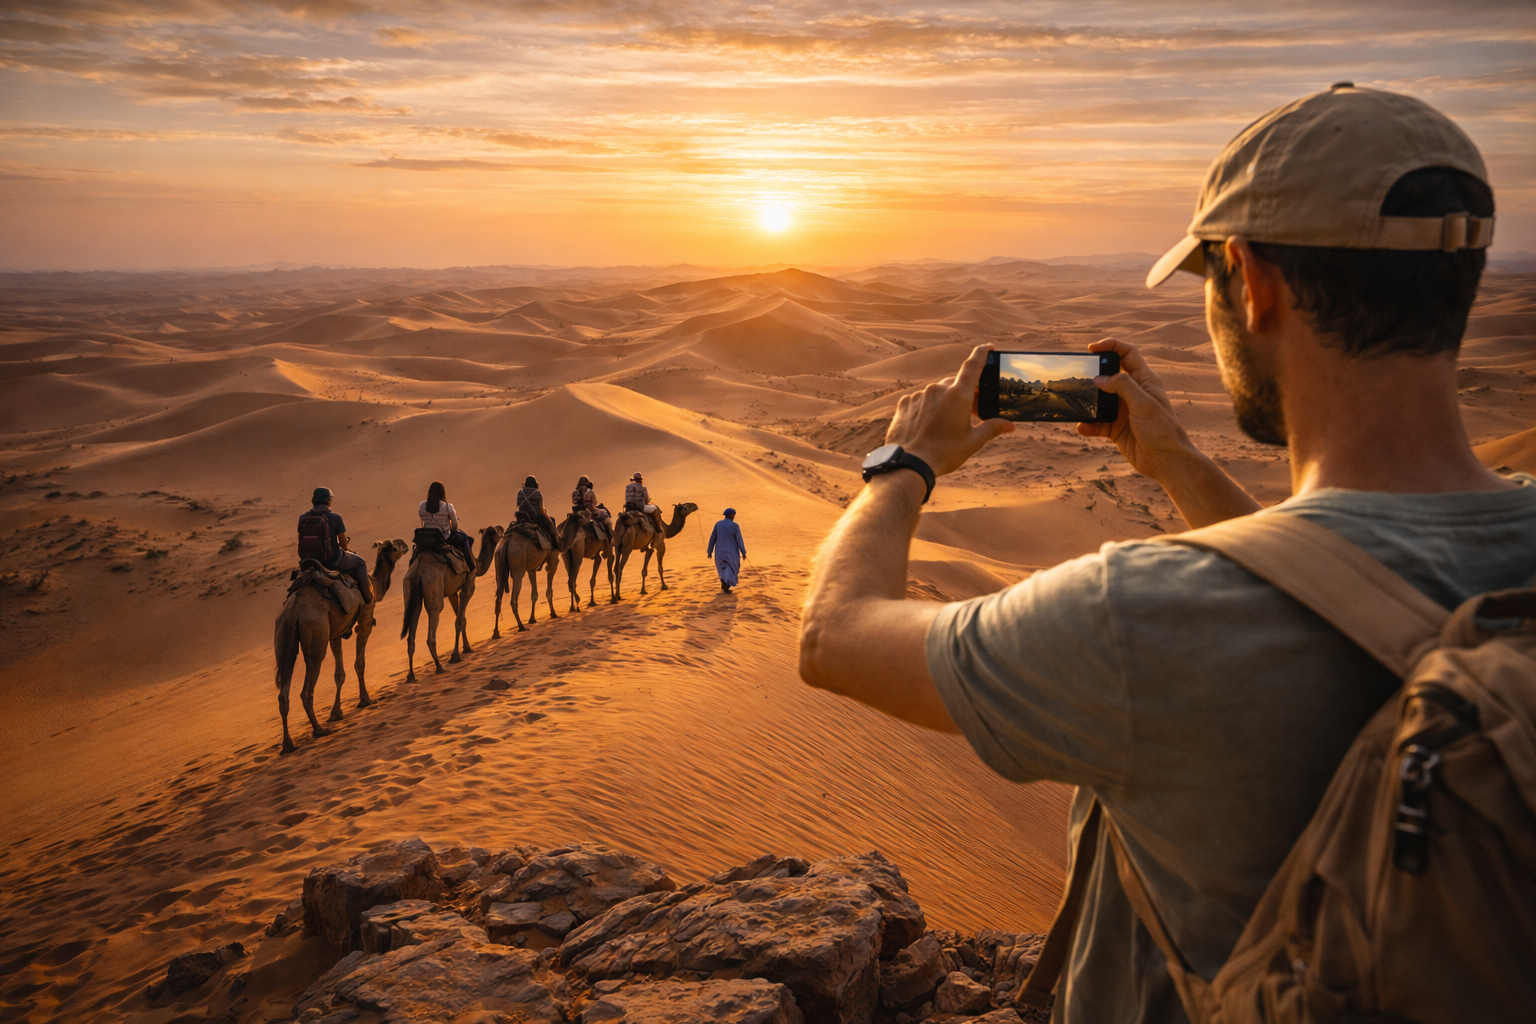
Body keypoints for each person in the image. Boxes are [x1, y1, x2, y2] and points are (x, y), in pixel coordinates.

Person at [797, 84, 1530, 1024]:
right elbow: (1320, 571)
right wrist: (1176, 463)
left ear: (1254, 282)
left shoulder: (1138, 617)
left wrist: (905, 463)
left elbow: (835, 637)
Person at [297, 486, 372, 602]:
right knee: (360, 562)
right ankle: (368, 598)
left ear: (313, 501)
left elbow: (300, 540)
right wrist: (345, 548)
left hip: (308, 562)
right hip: (332, 561)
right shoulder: (336, 517)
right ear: (328, 501)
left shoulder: (303, 517)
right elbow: (343, 544)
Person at [419, 481, 475, 565]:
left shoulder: (422, 505)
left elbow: (423, 521)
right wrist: (454, 530)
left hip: (426, 538)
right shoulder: (448, 507)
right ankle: (470, 564)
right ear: (442, 493)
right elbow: (455, 524)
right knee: (464, 537)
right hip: (443, 537)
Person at [707, 508, 746, 592]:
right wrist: (743, 552)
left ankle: (723, 583)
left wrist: (709, 551)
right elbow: (739, 540)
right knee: (731, 568)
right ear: (732, 515)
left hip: (719, 552)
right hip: (731, 552)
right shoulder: (735, 526)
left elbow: (712, 538)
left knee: (722, 568)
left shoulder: (718, 524)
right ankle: (726, 585)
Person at [515, 476, 558, 547]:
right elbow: (540, 508)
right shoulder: (537, 493)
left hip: (520, 517)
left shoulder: (520, 492)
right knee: (551, 521)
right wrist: (546, 516)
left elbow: (518, 505)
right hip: (533, 518)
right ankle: (554, 544)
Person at [572, 475, 610, 539]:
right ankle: (610, 536)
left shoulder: (574, 492)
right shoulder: (590, 492)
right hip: (589, 512)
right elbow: (594, 502)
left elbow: (574, 502)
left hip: (576, 513)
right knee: (605, 513)